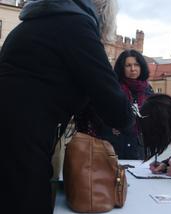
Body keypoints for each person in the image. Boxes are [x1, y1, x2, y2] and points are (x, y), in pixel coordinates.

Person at [0, 0, 133, 213]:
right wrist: (130, 116)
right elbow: (116, 108)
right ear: (103, 13)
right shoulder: (76, 25)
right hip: (23, 144)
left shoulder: (31, 24)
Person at [102, 49, 153, 159]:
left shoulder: (147, 90)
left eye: (136, 65)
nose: (133, 69)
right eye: (128, 65)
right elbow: (101, 114)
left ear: (141, 67)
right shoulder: (113, 88)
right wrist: (110, 127)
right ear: (122, 68)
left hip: (139, 147)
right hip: (115, 145)